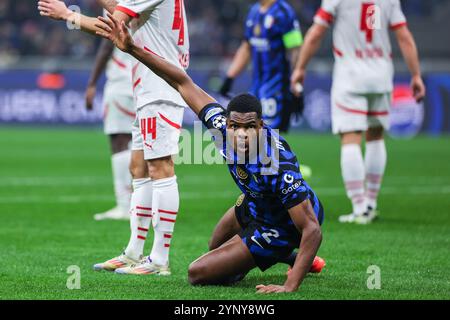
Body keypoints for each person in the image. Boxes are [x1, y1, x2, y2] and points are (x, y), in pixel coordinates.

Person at [95, 13, 325, 293]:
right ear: (225, 124)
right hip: (256, 203)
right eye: (234, 127)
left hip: (283, 222)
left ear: (261, 126)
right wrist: (132, 49)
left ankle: (285, 251)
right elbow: (181, 82)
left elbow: (312, 228)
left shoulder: (274, 163)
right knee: (214, 245)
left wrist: (290, 286)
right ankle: (279, 255)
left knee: (198, 273)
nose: (241, 134)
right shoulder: (219, 126)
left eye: (249, 128)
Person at [38, 0, 190, 275]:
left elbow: (111, 26)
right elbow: (119, 6)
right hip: (147, 87)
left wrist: (67, 15)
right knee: (139, 168)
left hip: (160, 88)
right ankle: (133, 252)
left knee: (160, 168)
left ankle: (159, 260)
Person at [291, 0, 426, 224]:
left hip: (350, 77)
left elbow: (316, 33)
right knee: (376, 136)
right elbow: (404, 36)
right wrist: (416, 75)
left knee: (351, 137)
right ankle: (371, 202)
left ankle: (359, 206)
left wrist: (300, 68)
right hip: (381, 76)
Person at [219, 0, 304, 133]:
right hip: (256, 88)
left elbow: (295, 49)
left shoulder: (283, 12)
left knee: (271, 135)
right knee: (252, 134)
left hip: (277, 89)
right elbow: (247, 47)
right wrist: (229, 78)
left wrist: (296, 86)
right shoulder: (254, 11)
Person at [86, 27, 135, 221]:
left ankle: (125, 206)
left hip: (121, 82)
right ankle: (141, 204)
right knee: (138, 141)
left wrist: (91, 83)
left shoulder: (118, 7)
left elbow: (107, 45)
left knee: (119, 141)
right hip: (142, 80)